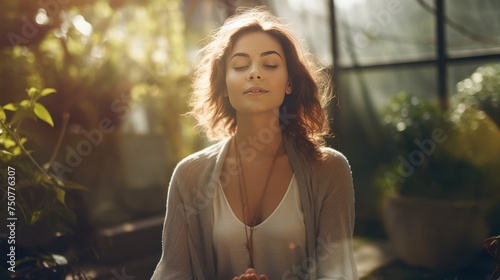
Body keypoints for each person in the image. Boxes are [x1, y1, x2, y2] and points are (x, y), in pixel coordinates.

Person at [151, 6, 358, 280]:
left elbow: (339, 272)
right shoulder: (189, 176)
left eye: (270, 64)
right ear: (224, 85)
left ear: (289, 83)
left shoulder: (329, 169)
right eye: (240, 65)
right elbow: (173, 273)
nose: (254, 73)